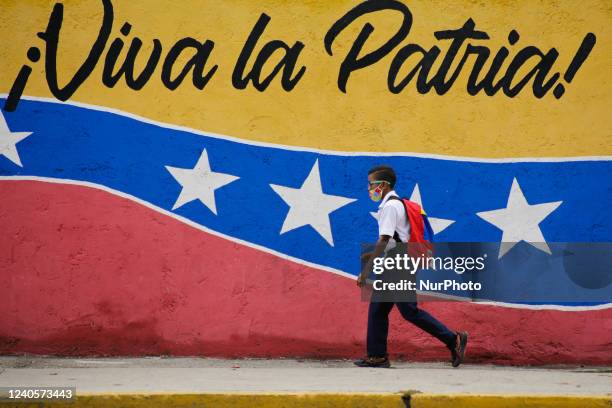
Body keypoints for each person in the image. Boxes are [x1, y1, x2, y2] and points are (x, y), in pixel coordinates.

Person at [355, 165, 468, 368]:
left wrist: (366, 270)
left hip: (398, 264)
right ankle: (377, 356)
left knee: (409, 311)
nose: (369, 188)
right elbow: (397, 239)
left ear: (383, 185)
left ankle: (453, 339)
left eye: (371, 184)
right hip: (396, 260)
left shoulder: (389, 207)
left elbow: (385, 239)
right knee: (378, 310)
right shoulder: (398, 204)